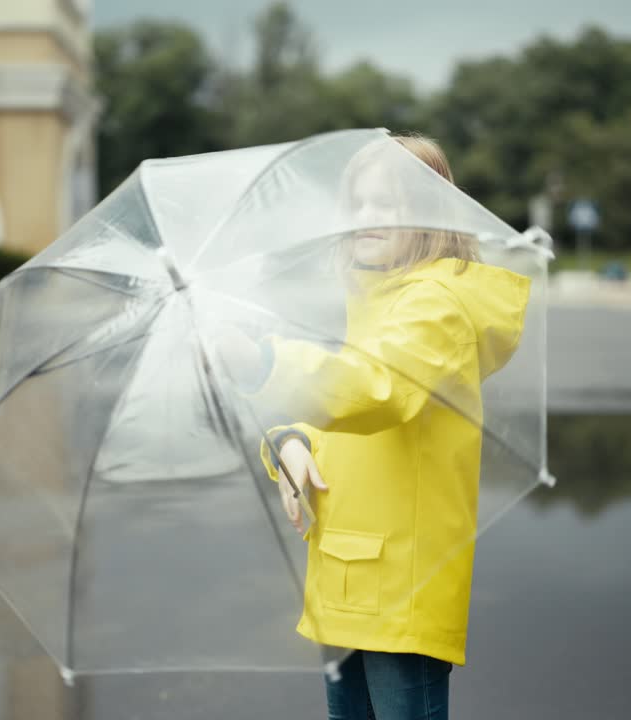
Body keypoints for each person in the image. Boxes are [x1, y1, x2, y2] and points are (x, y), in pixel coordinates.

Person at [226, 133, 531, 720]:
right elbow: (342, 413)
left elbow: (372, 391)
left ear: (431, 212)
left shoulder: (436, 307)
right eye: (358, 202)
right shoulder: (374, 302)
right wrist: (289, 444)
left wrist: (261, 361)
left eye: (387, 204)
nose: (367, 217)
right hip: (344, 576)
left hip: (399, 588)